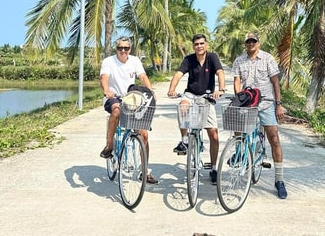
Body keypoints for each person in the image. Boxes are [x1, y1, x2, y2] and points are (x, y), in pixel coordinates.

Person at [232, 31, 288, 199]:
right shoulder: (239, 60)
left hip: (266, 103)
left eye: (253, 41)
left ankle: (279, 180)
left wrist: (278, 104)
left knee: (274, 139)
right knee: (236, 123)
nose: (251, 44)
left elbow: (275, 82)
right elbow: (237, 81)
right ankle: (240, 151)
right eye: (248, 41)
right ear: (245, 44)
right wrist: (239, 97)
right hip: (248, 102)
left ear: (258, 42)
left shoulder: (267, 59)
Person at [167, 34, 226, 184]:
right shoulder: (189, 59)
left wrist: (221, 89)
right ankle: (185, 139)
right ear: (193, 46)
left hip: (207, 97)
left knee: (214, 135)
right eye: (196, 44)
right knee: (183, 106)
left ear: (206, 45)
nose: (199, 46)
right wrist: (171, 89)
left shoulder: (212, 57)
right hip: (191, 94)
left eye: (201, 43)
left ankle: (213, 168)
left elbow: (220, 72)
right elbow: (178, 74)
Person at [99, 36, 158, 185]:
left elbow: (143, 77)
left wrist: (150, 90)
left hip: (131, 99)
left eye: (126, 48)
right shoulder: (108, 62)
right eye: (120, 48)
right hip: (114, 98)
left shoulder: (135, 61)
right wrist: (107, 90)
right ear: (116, 49)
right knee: (117, 111)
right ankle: (109, 145)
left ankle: (144, 170)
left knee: (143, 133)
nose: (123, 51)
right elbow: (104, 78)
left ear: (130, 49)